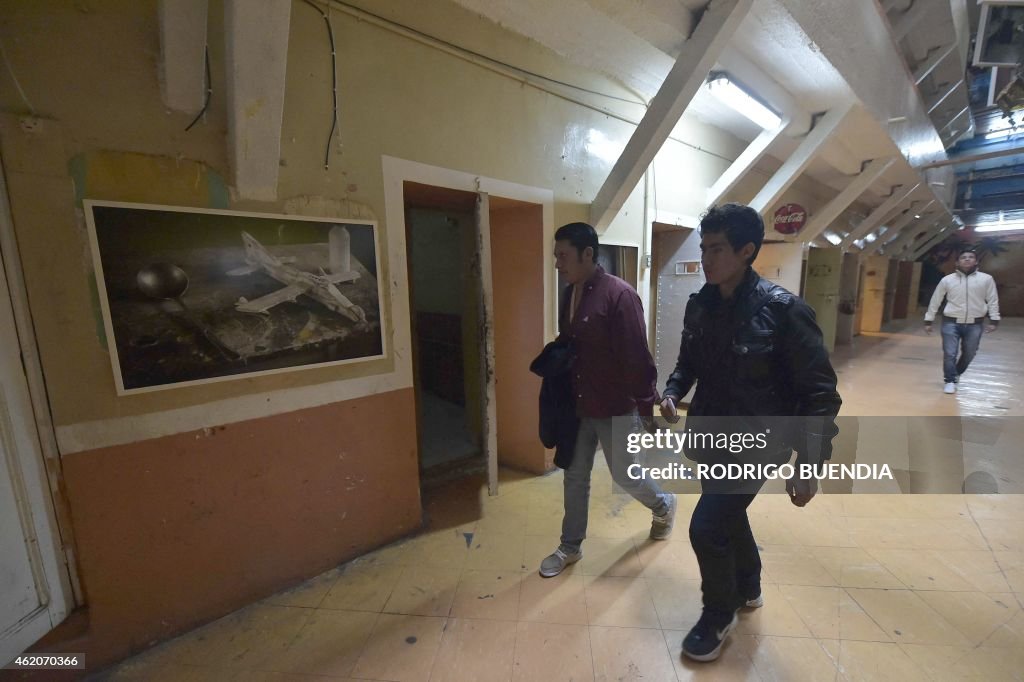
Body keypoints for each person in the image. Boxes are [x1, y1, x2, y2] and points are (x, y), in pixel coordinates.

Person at [659, 203, 841, 662]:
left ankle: (716, 616)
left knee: (706, 525)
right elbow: (688, 363)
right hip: (711, 437)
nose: (706, 258)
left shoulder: (784, 312)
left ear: (746, 251)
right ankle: (750, 587)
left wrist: (810, 465)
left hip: (760, 443)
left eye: (716, 249)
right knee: (728, 516)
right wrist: (672, 390)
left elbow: (820, 395)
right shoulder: (701, 304)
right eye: (703, 248)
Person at [539, 222, 676, 578]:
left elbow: (637, 356)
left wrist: (647, 406)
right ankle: (570, 546)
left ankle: (663, 505)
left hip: (617, 406)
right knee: (574, 476)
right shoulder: (570, 293)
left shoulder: (620, 295)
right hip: (579, 406)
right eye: (555, 256)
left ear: (588, 254)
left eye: (562, 256)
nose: (557, 263)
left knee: (627, 475)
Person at [924, 248, 1000, 394]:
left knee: (970, 352)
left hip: (975, 323)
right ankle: (950, 380)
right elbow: (936, 300)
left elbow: (992, 299)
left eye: (970, 257)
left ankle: (956, 372)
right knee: (950, 353)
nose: (967, 259)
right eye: (963, 257)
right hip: (951, 323)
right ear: (957, 262)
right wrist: (929, 319)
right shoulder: (947, 280)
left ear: (976, 261)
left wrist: (994, 319)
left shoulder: (986, 279)